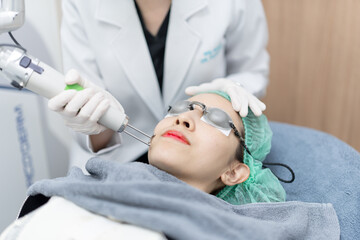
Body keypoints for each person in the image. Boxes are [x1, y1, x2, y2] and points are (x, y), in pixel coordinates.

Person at [0, 92, 340, 240]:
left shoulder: (227, 226)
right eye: (182, 107)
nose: (186, 119)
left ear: (234, 172)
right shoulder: (97, 183)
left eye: (217, 119)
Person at [50, 0, 270, 166]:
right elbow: (90, 118)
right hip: (117, 160)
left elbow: (252, 72)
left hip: (200, 163)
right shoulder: (82, 4)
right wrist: (95, 122)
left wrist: (228, 93)